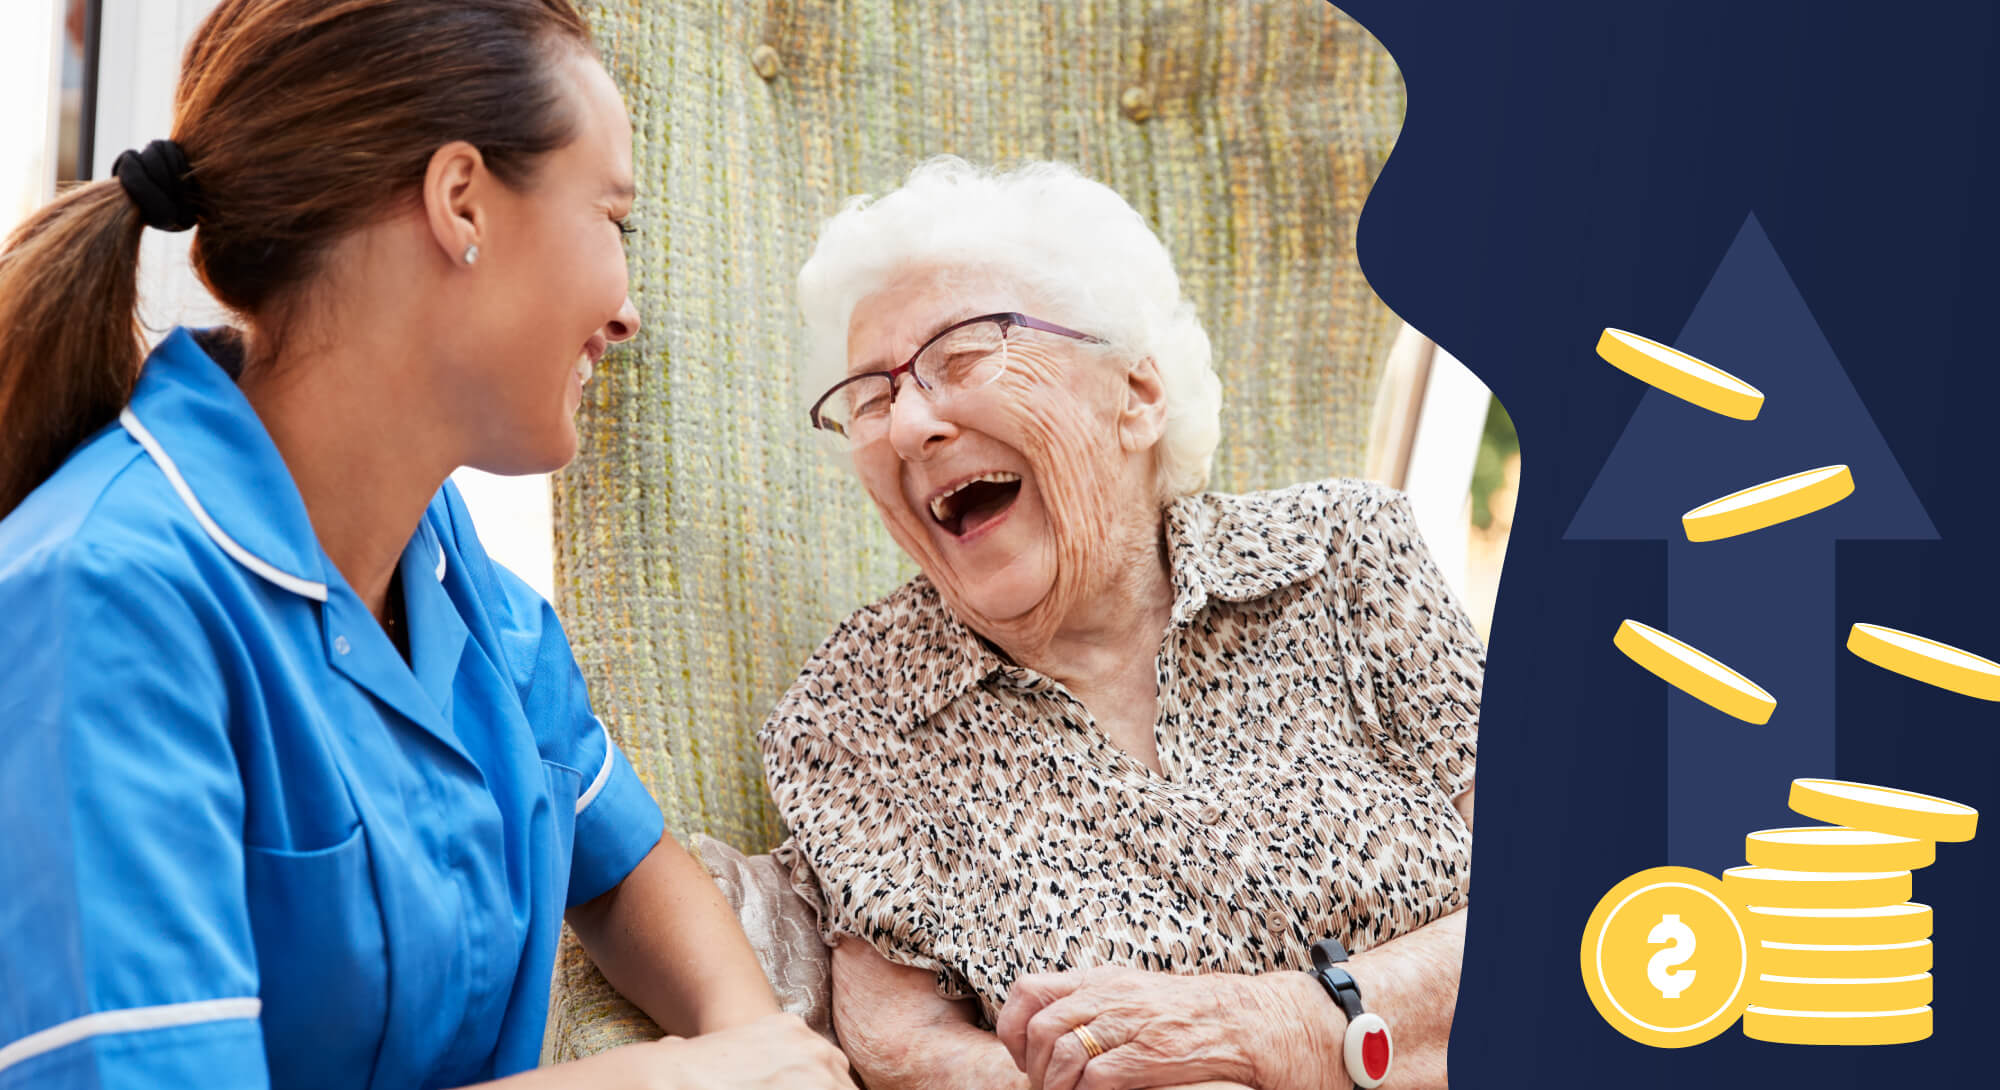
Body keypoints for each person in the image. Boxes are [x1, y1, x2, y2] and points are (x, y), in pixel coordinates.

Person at [0, 2, 850, 1088]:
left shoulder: (445, 574)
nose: (628, 308)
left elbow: (622, 858)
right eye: (613, 220)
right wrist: (662, 1079)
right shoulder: (103, 598)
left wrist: (758, 1043)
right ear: (461, 203)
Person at [759, 158, 1480, 1090]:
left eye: (963, 355)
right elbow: (904, 1047)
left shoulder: (1343, 554)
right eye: (871, 396)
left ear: (1135, 396)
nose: (907, 427)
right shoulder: (855, 713)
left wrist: (1281, 1029)